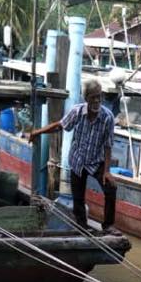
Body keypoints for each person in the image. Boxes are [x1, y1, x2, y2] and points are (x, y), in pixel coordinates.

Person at [28, 79, 116, 234]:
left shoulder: (107, 117)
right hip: (78, 160)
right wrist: (38, 132)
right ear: (86, 98)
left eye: (99, 97)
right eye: (93, 97)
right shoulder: (77, 112)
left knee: (111, 188)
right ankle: (83, 227)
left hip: (96, 160)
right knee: (78, 199)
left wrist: (107, 171)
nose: (96, 101)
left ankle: (108, 225)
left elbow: (108, 145)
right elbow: (59, 126)